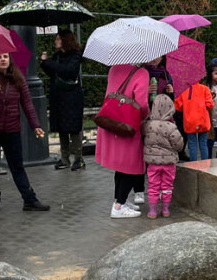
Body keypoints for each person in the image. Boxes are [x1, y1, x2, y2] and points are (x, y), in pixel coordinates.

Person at [0, 53, 50, 213]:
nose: (3, 59)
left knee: (17, 166)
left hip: (11, 130)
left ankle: (29, 200)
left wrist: (35, 125)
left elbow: (28, 104)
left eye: (5, 56)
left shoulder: (18, 79)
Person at [97, 62, 150, 218]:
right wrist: (146, 115)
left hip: (112, 121)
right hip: (129, 125)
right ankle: (118, 207)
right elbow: (142, 104)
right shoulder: (142, 73)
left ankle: (120, 200)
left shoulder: (114, 68)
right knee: (130, 165)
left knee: (120, 167)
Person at [40, 31, 86, 171]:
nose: (56, 41)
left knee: (74, 128)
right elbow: (54, 73)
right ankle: (65, 159)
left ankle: (79, 159)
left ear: (66, 40)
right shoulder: (58, 56)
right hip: (59, 97)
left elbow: (68, 71)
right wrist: (44, 63)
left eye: (58, 39)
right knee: (62, 128)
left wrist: (49, 63)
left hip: (72, 97)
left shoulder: (76, 55)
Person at [142, 93, 184, 218]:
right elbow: (178, 144)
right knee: (167, 186)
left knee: (153, 185)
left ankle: (153, 211)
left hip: (153, 163)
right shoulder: (171, 127)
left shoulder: (147, 126)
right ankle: (165, 210)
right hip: (169, 163)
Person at [174, 71, 214, 161]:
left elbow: (178, 107)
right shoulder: (205, 89)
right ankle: (205, 165)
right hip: (203, 120)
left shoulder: (183, 90)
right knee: (203, 144)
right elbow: (210, 104)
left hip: (189, 121)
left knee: (192, 145)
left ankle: (193, 165)